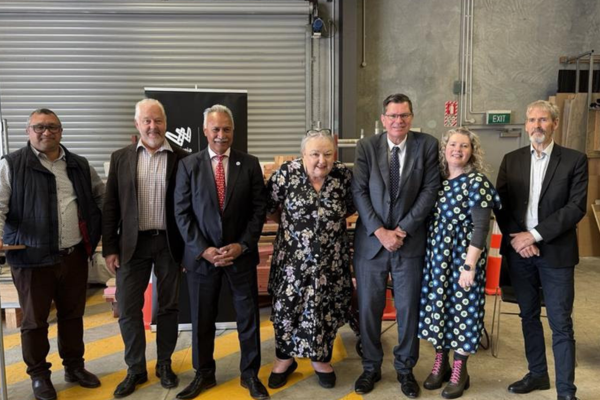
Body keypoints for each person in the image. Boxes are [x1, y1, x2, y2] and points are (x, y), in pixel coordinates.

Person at [0, 109, 104, 400]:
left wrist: (103, 233)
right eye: (39, 127)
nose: (46, 132)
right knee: (35, 322)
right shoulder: (11, 165)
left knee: (73, 316)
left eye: (53, 127)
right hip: (31, 259)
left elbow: (101, 197)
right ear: (28, 131)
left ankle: (74, 367)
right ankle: (39, 376)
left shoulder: (79, 165)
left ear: (61, 131)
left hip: (73, 256)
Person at [174, 104, 269, 400]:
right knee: (202, 319)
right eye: (215, 129)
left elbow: (258, 210)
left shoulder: (249, 164)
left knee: (248, 319)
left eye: (226, 129)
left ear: (233, 131)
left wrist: (242, 245)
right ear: (205, 131)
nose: (221, 135)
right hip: (203, 259)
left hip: (240, 256)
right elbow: (182, 213)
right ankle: (203, 374)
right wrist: (203, 250)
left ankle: (250, 374)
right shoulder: (188, 165)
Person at [496, 100, 587, 400]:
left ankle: (566, 391)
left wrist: (533, 236)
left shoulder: (574, 160)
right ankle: (537, 374)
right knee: (528, 316)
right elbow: (501, 204)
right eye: (532, 120)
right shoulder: (511, 160)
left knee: (561, 323)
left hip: (556, 253)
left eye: (544, 120)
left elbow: (575, 207)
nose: (537, 125)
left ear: (555, 124)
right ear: (526, 125)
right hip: (520, 254)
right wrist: (518, 240)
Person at [352, 93, 440, 398]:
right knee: (368, 310)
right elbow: (359, 191)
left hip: (409, 243)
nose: (398, 121)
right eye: (392, 116)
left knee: (408, 310)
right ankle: (370, 367)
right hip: (371, 245)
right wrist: (380, 232)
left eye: (403, 115)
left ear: (411, 117)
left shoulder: (426, 145)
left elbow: (430, 190)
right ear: (383, 118)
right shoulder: (367, 147)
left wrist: (401, 230)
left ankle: (405, 369)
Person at [102, 98, 189, 398]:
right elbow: (110, 206)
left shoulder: (183, 159)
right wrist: (109, 248)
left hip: (169, 244)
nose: (153, 126)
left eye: (158, 120)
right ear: (137, 124)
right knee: (128, 308)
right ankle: (135, 368)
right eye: (147, 121)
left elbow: (190, 208)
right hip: (132, 245)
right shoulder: (121, 158)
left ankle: (164, 364)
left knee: (168, 307)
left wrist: (189, 249)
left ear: (166, 123)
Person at [265, 129, 355, 390]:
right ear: (303, 154)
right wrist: (295, 230)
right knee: (286, 308)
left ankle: (321, 359)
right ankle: (284, 359)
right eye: (315, 154)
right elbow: (271, 208)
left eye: (327, 154)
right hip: (292, 260)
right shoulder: (286, 174)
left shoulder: (343, 176)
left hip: (331, 260)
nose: (321, 161)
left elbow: (349, 208)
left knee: (324, 309)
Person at [418, 127, 501, 399]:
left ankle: (459, 371)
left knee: (464, 312)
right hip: (437, 261)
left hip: (463, 261)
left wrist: (469, 266)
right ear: (444, 149)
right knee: (439, 311)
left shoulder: (476, 182)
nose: (457, 150)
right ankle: (440, 363)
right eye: (453, 144)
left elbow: (481, 228)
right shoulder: (439, 181)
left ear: (472, 152)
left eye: (464, 146)